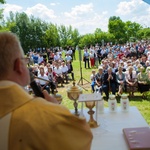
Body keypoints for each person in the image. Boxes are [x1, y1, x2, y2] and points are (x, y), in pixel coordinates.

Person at [0, 32, 92, 150]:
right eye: (25, 60)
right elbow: (83, 139)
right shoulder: (46, 115)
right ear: (18, 65)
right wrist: (55, 110)